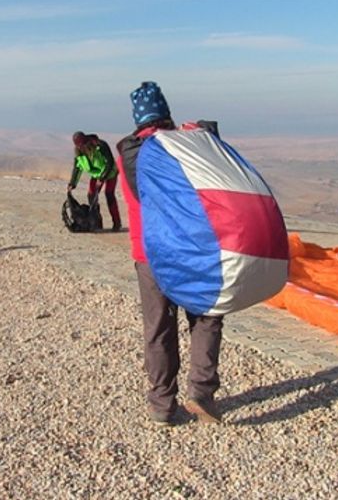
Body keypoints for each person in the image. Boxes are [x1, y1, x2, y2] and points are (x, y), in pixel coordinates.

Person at [116, 81, 223, 426]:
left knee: (158, 329)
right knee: (206, 316)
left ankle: (162, 403)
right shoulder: (186, 146)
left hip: (149, 256)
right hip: (192, 252)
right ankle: (202, 394)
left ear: (138, 119)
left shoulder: (129, 154)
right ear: (166, 112)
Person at [68, 131, 121, 232]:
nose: (81, 147)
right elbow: (77, 168)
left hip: (110, 173)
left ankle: (117, 223)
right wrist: (72, 183)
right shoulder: (79, 152)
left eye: (82, 144)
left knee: (109, 195)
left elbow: (109, 162)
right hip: (96, 174)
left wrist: (102, 178)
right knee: (91, 195)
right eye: (78, 146)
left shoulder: (100, 145)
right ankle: (96, 222)